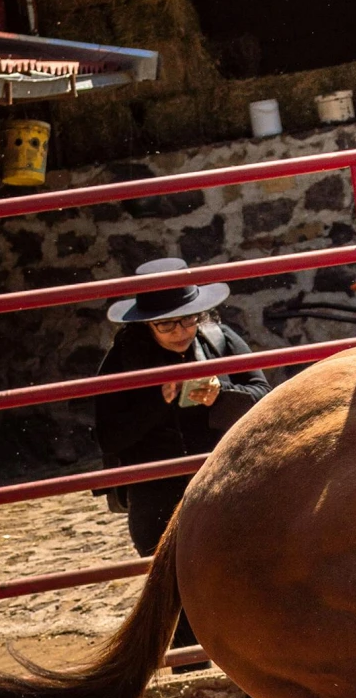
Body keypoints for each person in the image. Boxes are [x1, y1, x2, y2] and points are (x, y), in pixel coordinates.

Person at [94, 258, 267, 660]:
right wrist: (159, 401)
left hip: (223, 482)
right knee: (182, 605)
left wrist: (223, 396)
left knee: (239, 590)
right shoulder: (120, 361)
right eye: (167, 325)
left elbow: (263, 398)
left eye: (188, 320)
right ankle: (193, 688)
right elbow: (108, 436)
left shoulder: (219, 338)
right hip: (158, 497)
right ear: (144, 325)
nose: (181, 332)